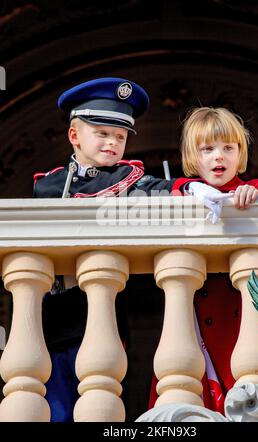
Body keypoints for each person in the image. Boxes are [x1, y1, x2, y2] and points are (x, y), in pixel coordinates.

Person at [33, 77, 175, 422]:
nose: (113, 143)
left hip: (103, 320)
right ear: (74, 136)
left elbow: (163, 190)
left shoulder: (129, 178)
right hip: (50, 324)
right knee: (53, 408)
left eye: (121, 136)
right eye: (102, 133)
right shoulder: (47, 184)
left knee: (100, 409)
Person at [148, 106, 258, 417]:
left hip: (238, 319)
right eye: (207, 149)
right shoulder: (182, 191)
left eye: (228, 148)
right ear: (193, 157)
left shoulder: (256, 188)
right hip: (194, 318)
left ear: (240, 153)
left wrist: (251, 194)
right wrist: (184, 190)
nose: (218, 157)